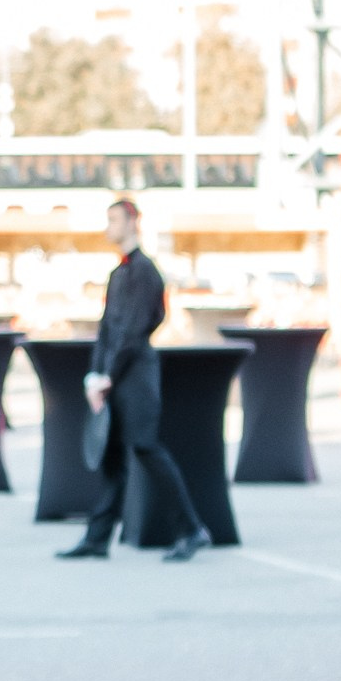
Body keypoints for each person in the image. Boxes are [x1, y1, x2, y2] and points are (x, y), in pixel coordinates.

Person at [59, 194, 209, 563]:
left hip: (137, 376)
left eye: (114, 219)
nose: (108, 226)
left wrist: (108, 376)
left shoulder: (145, 272)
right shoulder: (118, 274)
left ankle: (191, 529)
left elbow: (136, 329)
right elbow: (107, 330)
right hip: (115, 378)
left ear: (132, 222)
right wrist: (95, 376)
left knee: (146, 447)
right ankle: (97, 538)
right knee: (112, 457)